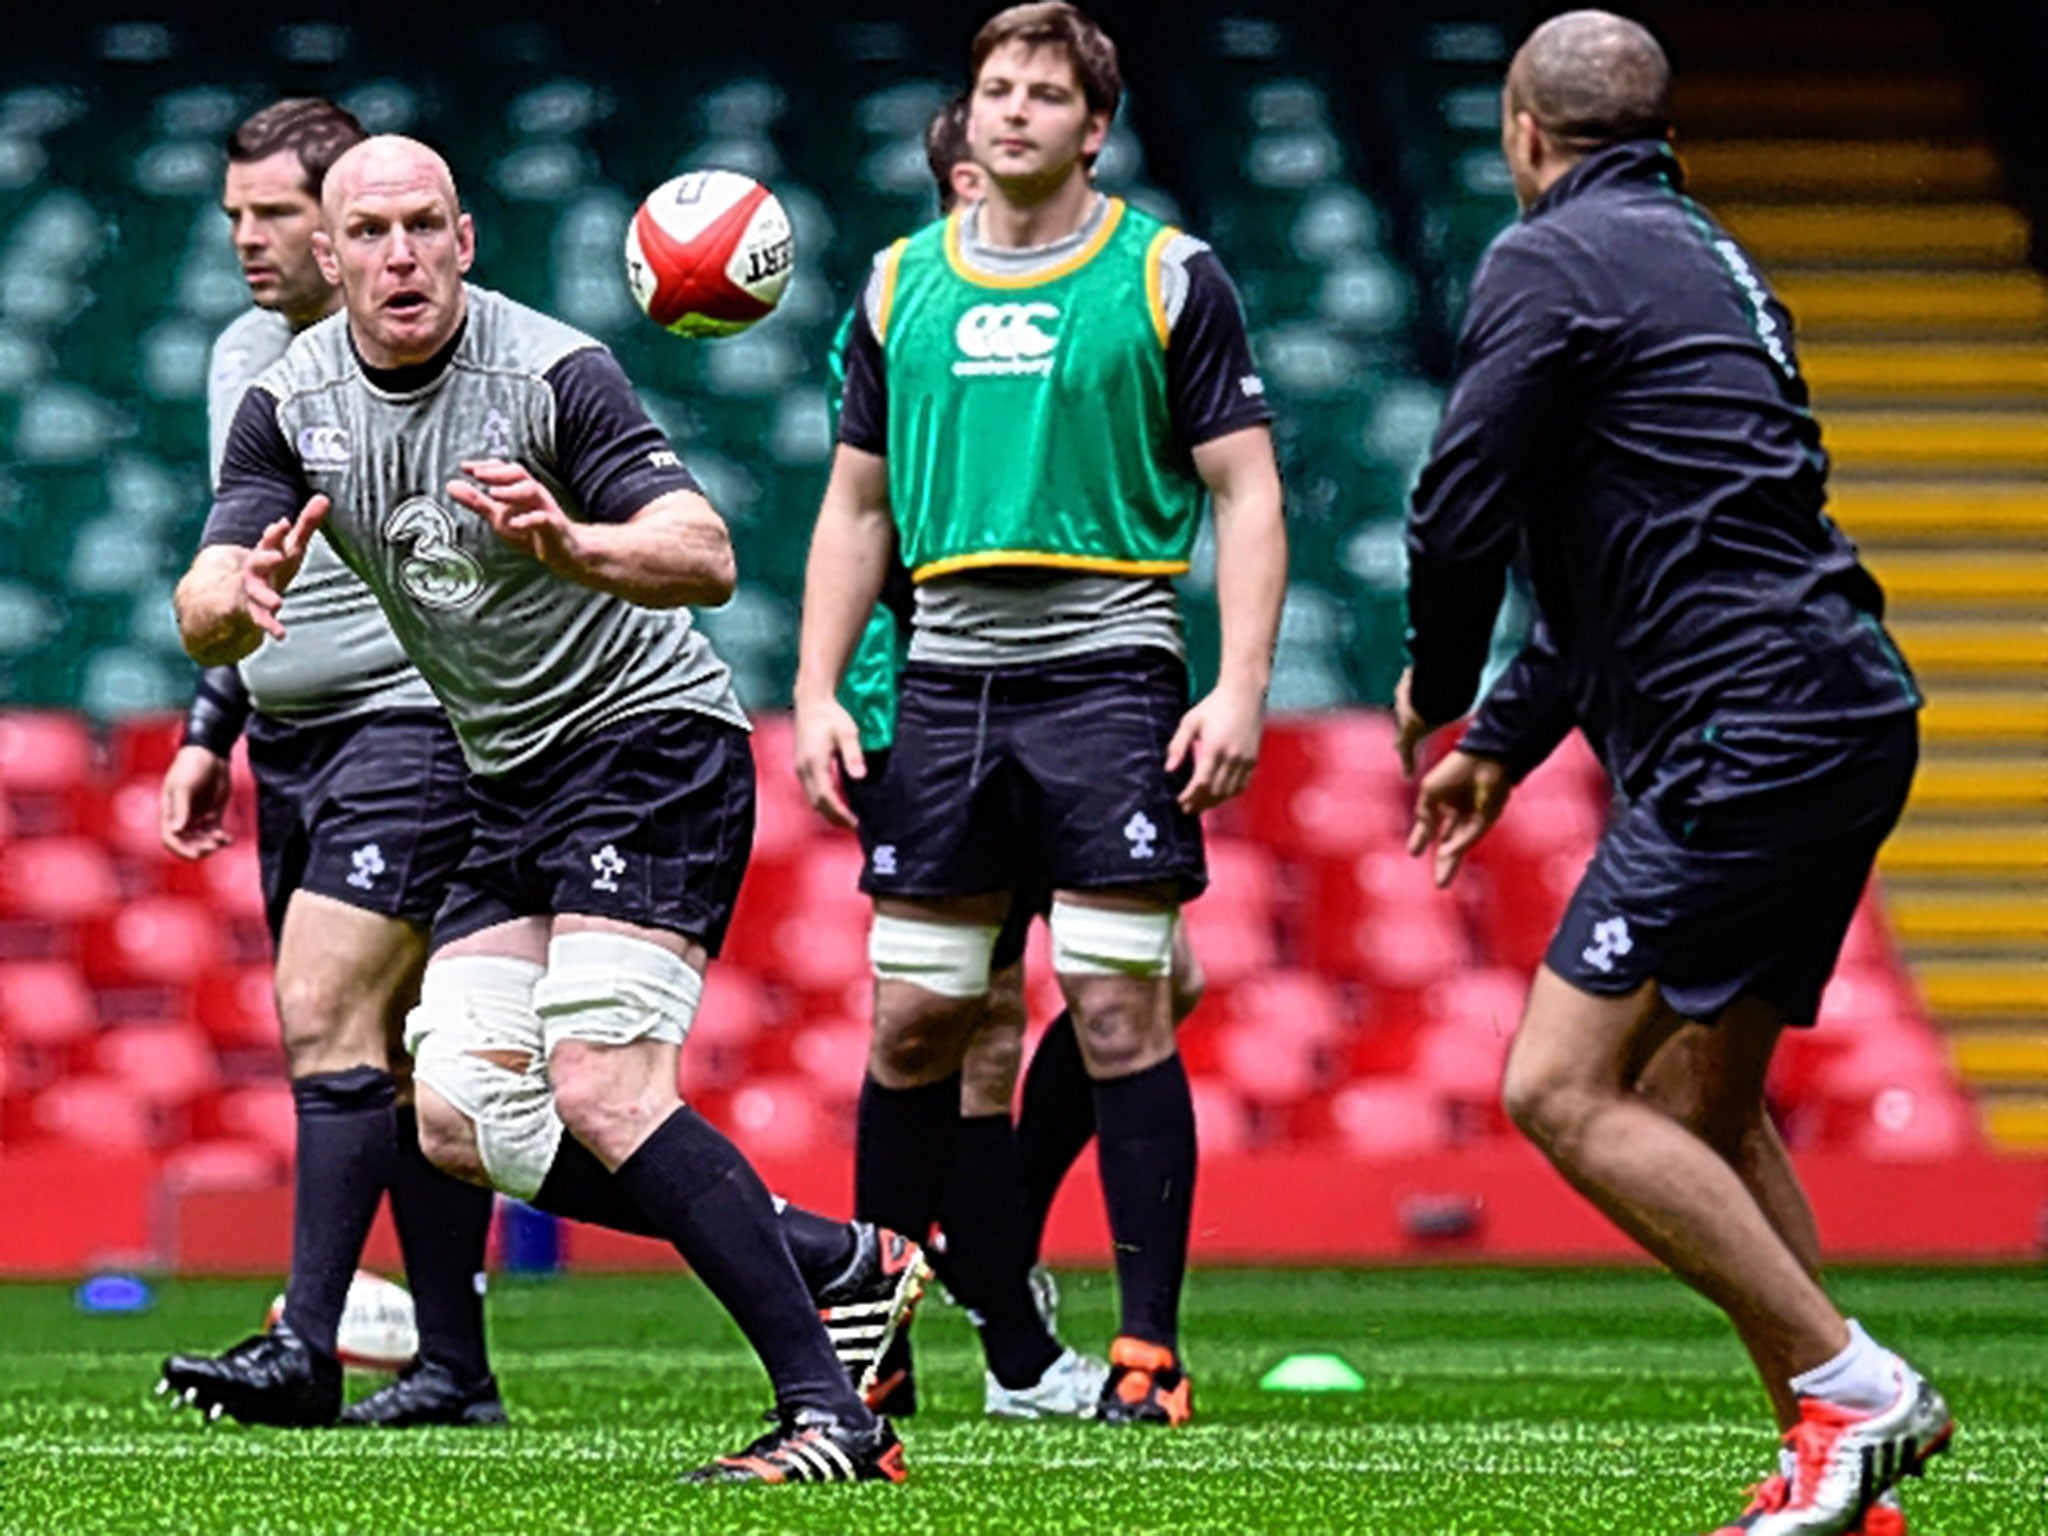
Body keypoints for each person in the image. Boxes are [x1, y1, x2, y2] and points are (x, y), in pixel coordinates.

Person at [175, 134, 907, 1485]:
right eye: (371, 233)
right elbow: (205, 590)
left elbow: (706, 554)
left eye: (424, 226)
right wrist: (237, 599)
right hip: (504, 774)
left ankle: (835, 1418)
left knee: (602, 1085)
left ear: (466, 239)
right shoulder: (288, 400)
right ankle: (840, 1258)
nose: (401, 255)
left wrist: (579, 545)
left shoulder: (552, 371)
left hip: (647, 749)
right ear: (328, 259)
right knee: (456, 1118)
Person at [1396, 14, 1948, 1535]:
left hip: (1743, 727)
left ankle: (1856, 1386)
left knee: (1563, 1088)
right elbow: (1645, 541)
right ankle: (1842, 1462)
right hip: (1844, 702)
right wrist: (1504, 739)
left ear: (1523, 131)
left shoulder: (1546, 259)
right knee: (1703, 1103)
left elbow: (1459, 514)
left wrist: (1436, 694)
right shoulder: (1709, 257)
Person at [795, 1, 1285, 1427]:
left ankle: (1145, 1356)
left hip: (1111, 670)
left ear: (1094, 126)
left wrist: (1239, 683)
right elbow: (855, 507)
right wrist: (820, 688)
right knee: (915, 1029)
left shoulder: (1167, 276)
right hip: (943, 681)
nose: (1012, 109)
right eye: (996, 86)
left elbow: (1247, 487)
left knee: (1127, 1004)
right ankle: (869, 1350)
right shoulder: (898, 287)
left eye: (1044, 93)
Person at [156, 97, 505, 1432]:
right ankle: (454, 1371)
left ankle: (306, 1340)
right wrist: (210, 726)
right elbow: (240, 559)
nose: (249, 239)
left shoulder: (457, 360)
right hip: (296, 739)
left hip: (416, 726)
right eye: (236, 214)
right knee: (404, 1059)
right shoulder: (245, 354)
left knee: (322, 1005)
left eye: (278, 214)